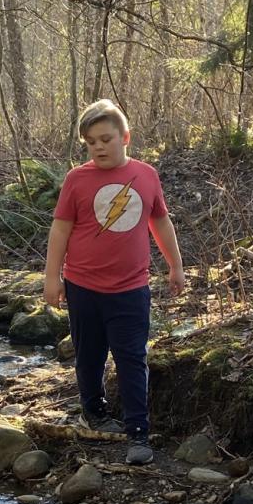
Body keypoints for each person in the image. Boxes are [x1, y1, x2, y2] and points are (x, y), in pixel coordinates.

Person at [44, 99, 185, 466]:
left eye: (106, 139)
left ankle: (138, 433)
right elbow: (61, 228)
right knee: (88, 356)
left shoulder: (146, 175)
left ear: (125, 137)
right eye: (91, 142)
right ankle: (95, 411)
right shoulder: (77, 180)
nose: (99, 147)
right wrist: (52, 277)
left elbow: (160, 222)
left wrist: (175, 265)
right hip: (83, 287)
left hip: (130, 289)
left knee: (131, 359)